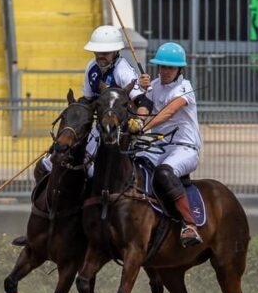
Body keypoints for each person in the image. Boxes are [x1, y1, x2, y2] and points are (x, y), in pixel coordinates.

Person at [35, 25, 153, 181]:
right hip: (99, 127)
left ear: (115, 52)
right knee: (47, 164)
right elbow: (88, 100)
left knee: (91, 171)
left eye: (105, 53)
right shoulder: (92, 67)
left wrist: (139, 121)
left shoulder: (122, 70)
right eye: (97, 52)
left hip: (119, 131)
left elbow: (144, 102)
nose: (100, 56)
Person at [137, 42, 204, 247]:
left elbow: (168, 112)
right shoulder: (154, 86)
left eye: (170, 67)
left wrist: (142, 127)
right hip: (159, 148)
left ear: (179, 69)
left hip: (185, 148)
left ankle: (189, 224)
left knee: (164, 173)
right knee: (134, 163)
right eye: (162, 66)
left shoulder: (185, 87)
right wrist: (137, 118)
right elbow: (144, 107)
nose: (165, 71)